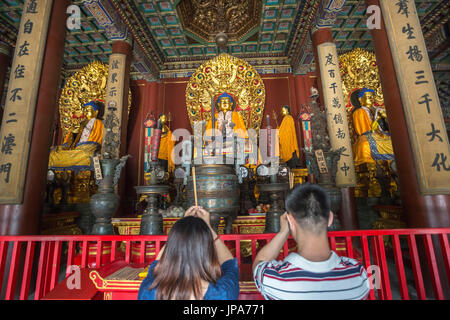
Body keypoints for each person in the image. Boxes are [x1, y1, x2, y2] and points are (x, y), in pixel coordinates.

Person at [252, 183, 370, 300]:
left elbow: (260, 262)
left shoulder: (275, 279)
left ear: (290, 221)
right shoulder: (358, 275)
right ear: (330, 218)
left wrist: (283, 232)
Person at [138, 206, 239, 300]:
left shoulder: (148, 291)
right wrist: (209, 229)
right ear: (208, 251)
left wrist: (181, 229)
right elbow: (230, 265)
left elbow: (156, 265)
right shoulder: (223, 293)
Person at [48, 100, 104, 170]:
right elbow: (69, 143)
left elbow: (100, 141)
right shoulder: (80, 123)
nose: (86, 112)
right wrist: (74, 133)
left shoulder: (99, 124)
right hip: (74, 150)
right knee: (52, 153)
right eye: (85, 110)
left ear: (96, 112)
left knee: (87, 156)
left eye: (88, 110)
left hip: (87, 150)